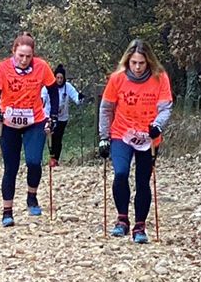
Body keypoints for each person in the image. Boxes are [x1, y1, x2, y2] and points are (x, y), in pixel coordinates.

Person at [97, 39, 173, 243]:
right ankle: (122, 219)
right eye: (134, 63)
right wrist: (104, 137)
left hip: (148, 136)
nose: (138, 67)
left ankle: (140, 225)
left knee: (142, 181)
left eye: (142, 63)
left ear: (149, 62)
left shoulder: (160, 78)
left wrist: (157, 125)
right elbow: (106, 108)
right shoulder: (117, 79)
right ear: (127, 61)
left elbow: (165, 107)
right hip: (121, 133)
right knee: (120, 173)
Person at [0, 33, 62, 226]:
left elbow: (53, 91)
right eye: (20, 55)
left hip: (34, 121)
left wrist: (53, 116)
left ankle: (32, 196)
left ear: (33, 55)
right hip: (9, 122)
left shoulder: (42, 66)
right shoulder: (2, 68)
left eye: (28, 56)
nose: (24, 60)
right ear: (13, 52)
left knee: (34, 161)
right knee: (11, 167)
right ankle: (7, 211)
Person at [46, 65, 80, 167]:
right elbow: (43, 96)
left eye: (61, 78)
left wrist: (80, 98)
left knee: (58, 137)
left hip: (62, 117)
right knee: (51, 136)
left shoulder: (67, 86)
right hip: (49, 115)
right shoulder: (49, 85)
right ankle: (52, 157)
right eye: (57, 78)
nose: (59, 80)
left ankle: (55, 158)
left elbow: (75, 95)